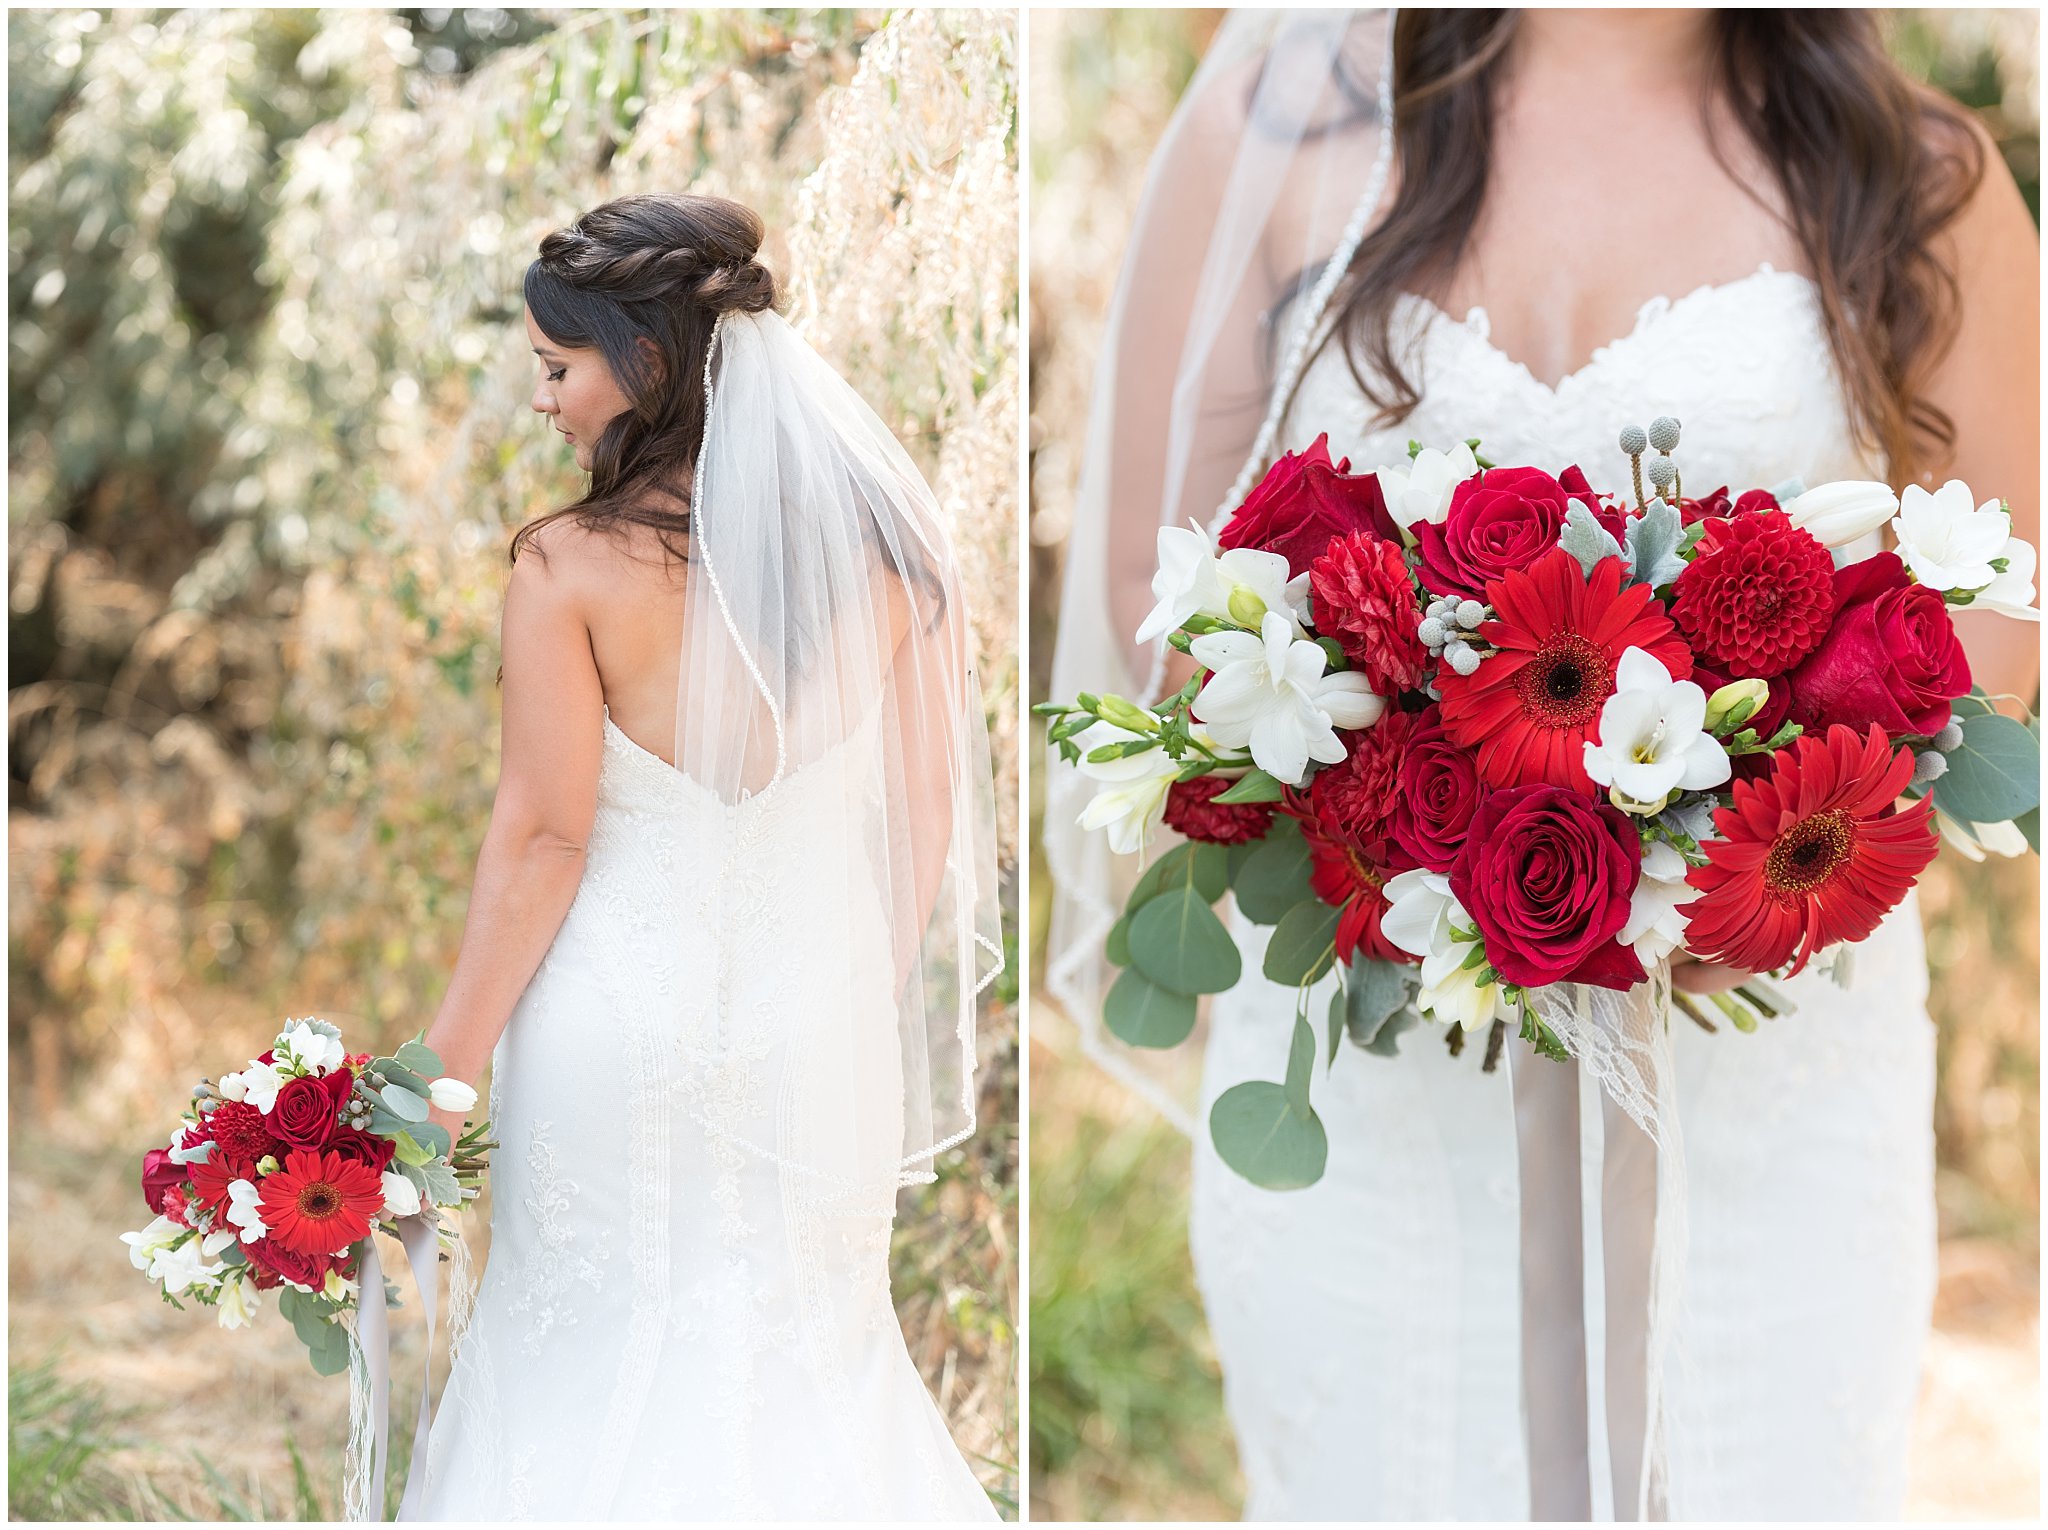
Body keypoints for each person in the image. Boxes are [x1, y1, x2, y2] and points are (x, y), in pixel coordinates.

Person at [1043, 9, 2038, 1519]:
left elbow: (1996, 636)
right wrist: (1421, 820)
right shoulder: (1279, 124)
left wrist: (1723, 867)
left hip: (1767, 1093)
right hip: (1381, 1091)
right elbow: (1150, 590)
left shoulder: (1922, 177)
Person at [404, 193, 1004, 1519]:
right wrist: (851, 991)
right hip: (819, 1029)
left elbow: (547, 838)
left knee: (586, 1367)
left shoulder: (567, 568)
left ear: (650, 363)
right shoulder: (899, 565)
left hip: (612, 1030)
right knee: (816, 1371)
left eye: (558, 369)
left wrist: (434, 1079)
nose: (546, 401)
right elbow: (923, 816)